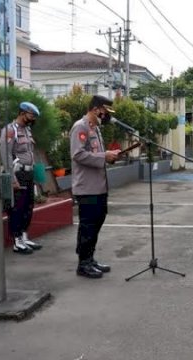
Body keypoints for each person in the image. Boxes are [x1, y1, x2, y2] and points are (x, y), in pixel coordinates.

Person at [70, 95, 120, 279]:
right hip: (87, 187)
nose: (106, 115)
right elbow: (78, 154)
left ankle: (90, 258)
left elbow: (98, 155)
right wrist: (103, 156)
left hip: (99, 186)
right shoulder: (80, 127)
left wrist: (109, 157)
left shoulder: (95, 129)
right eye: (105, 111)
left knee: (97, 223)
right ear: (96, 109)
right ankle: (83, 264)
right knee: (88, 226)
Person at [0, 102, 43, 254]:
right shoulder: (11, 130)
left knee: (28, 206)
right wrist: (12, 178)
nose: (33, 119)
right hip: (18, 174)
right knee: (17, 207)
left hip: (29, 173)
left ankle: (24, 237)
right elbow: (5, 155)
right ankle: (17, 241)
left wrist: (37, 176)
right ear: (22, 113)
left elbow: (31, 154)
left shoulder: (27, 130)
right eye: (31, 116)